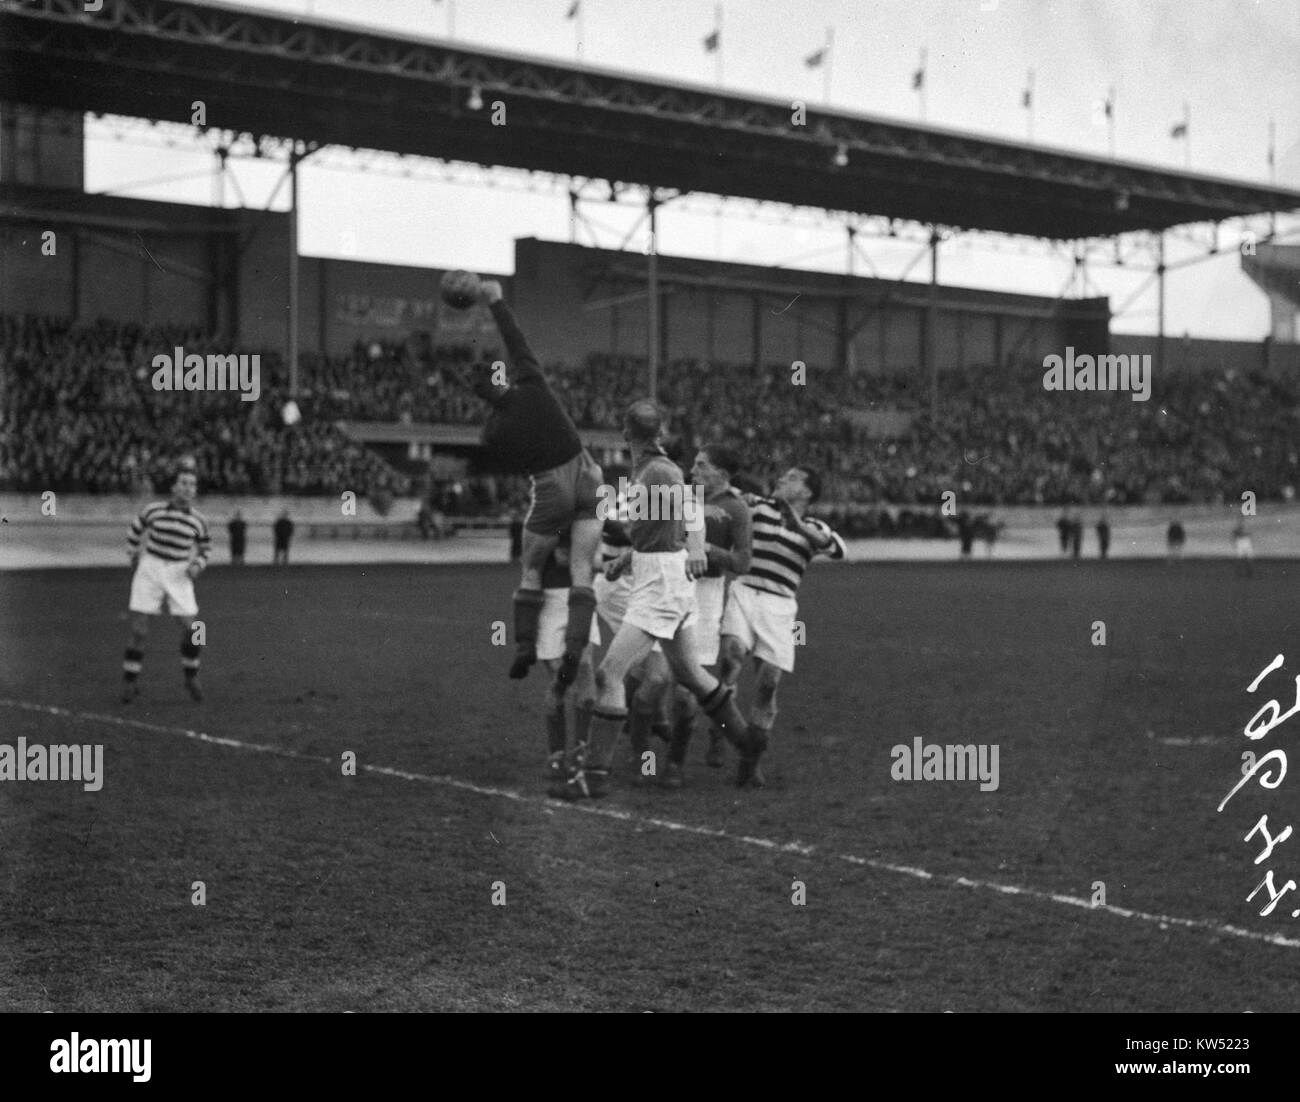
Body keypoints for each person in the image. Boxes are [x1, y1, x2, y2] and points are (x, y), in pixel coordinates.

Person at [553, 400, 756, 800]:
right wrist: (631, 555)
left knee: (609, 673)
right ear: (659, 434)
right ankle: (749, 745)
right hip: (660, 573)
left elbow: (691, 513)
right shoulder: (650, 469)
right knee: (692, 676)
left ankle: (593, 776)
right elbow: (660, 526)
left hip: (662, 581)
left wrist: (695, 548)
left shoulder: (659, 469)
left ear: (625, 433)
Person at [450, 272, 602, 690]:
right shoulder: (533, 385)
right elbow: (517, 343)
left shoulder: (492, 432)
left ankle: (523, 647)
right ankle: (575, 645)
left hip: (549, 485)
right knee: (582, 568)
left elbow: (505, 455)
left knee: (531, 569)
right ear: (502, 379)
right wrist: (496, 302)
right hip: (588, 473)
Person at [714, 466, 846, 787]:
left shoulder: (815, 527)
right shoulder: (757, 506)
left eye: (791, 478)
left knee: (768, 683)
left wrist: (797, 525)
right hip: (745, 592)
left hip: (779, 606)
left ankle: (750, 761)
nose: (781, 480)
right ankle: (722, 731)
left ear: (807, 492)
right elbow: (732, 501)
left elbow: (837, 550)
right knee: (732, 656)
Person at [679, 444, 753, 781]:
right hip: (672, 588)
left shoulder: (735, 509)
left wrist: (704, 548)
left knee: (700, 677)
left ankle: (715, 737)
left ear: (721, 474)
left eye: (701, 465)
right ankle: (652, 729)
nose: (692, 471)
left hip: (707, 593)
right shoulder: (683, 497)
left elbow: (741, 562)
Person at [121, 462, 211, 703]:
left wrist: (196, 566)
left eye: (192, 485)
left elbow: (205, 549)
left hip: (179, 571)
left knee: (193, 628)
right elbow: (134, 532)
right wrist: (133, 555)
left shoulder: (199, 521)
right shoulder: (153, 510)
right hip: (151, 568)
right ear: (174, 487)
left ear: (195, 490)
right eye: (183, 483)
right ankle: (130, 682)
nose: (187, 488)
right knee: (139, 629)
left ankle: (191, 675)